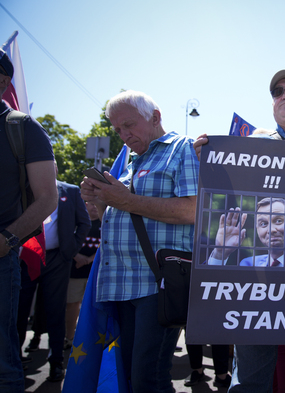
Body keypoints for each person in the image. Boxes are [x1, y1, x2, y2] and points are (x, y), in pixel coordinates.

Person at [194, 69, 285, 392]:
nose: (284, 94)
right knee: (249, 383)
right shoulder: (250, 148)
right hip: (254, 296)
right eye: (277, 91)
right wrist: (208, 160)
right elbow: (219, 200)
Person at [80, 90, 199, 393]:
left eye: (129, 125)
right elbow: (122, 214)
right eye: (117, 129)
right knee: (132, 378)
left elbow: (193, 210)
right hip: (120, 283)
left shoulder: (180, 148)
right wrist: (99, 201)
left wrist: (123, 199)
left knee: (149, 378)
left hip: (156, 284)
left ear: (155, 117)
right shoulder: (129, 160)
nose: (123, 135)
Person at [0, 49, 58, 392]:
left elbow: (47, 198)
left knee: (3, 363)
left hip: (2, 258)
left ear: (4, 81)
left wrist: (7, 239)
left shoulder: (22, 128)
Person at [17, 161, 91, 381]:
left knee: (55, 311)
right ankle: (15, 359)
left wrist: (70, 250)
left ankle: (56, 362)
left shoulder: (70, 191)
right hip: (26, 257)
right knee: (19, 311)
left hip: (57, 259)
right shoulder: (22, 190)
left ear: (55, 169)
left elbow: (84, 223)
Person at [208, 197, 285, 267]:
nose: (271, 230)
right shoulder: (248, 265)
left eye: (279, 221)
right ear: (257, 229)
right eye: (263, 224)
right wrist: (220, 253)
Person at [64, 201, 102, 349]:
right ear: (85, 205)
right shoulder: (76, 222)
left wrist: (88, 260)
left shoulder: (104, 222)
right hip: (75, 271)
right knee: (72, 304)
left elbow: (105, 243)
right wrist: (77, 256)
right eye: (91, 203)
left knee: (95, 307)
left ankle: (92, 339)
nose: (94, 206)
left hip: (95, 273)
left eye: (96, 202)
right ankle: (69, 337)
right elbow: (66, 240)